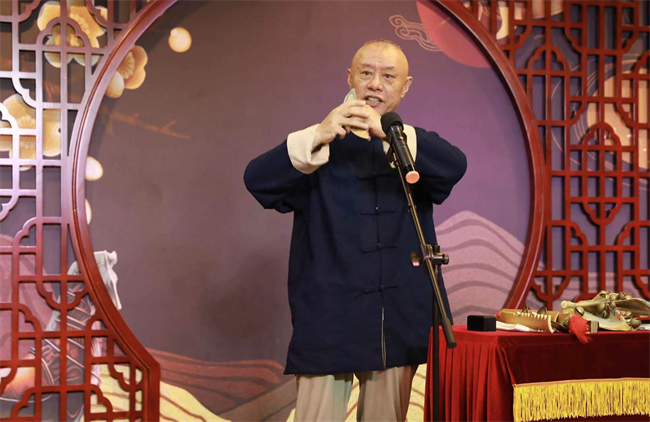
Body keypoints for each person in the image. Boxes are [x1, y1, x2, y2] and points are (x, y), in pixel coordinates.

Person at [244, 40, 467, 421]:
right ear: (350, 78)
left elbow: (454, 165)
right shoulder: (320, 144)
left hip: (395, 319)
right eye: (366, 73)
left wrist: (391, 133)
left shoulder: (409, 148)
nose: (375, 84)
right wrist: (317, 134)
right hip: (328, 319)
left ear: (405, 86)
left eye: (388, 76)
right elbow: (258, 180)